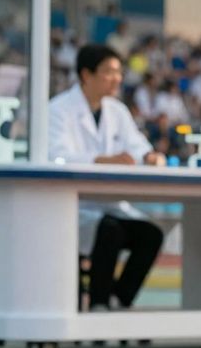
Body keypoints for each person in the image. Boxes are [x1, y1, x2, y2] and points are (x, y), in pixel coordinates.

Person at [48, 44, 164, 310]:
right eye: (109, 72)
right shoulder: (58, 109)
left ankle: (118, 299)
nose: (117, 78)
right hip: (75, 207)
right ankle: (98, 303)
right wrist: (101, 160)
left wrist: (149, 156)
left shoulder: (117, 111)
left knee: (151, 235)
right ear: (87, 75)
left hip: (110, 204)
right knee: (108, 229)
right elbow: (57, 155)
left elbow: (136, 145)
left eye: (119, 72)